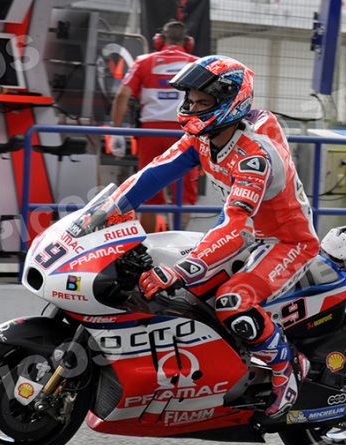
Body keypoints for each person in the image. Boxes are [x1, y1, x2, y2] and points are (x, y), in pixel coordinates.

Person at [112, 55, 319, 418]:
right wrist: (109, 211)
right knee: (181, 285)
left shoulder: (255, 155)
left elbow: (236, 227)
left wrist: (182, 270)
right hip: (248, 233)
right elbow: (155, 173)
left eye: (201, 102)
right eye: (190, 99)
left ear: (229, 102)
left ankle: (287, 372)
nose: (191, 108)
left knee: (231, 302)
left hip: (286, 240)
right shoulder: (204, 137)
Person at [109, 20, 200, 232]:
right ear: (188, 42)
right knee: (184, 195)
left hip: (150, 134)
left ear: (159, 40)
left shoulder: (143, 61)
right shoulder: (197, 64)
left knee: (149, 192)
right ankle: (180, 245)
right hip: (186, 133)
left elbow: (122, 95)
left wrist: (116, 132)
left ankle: (149, 249)